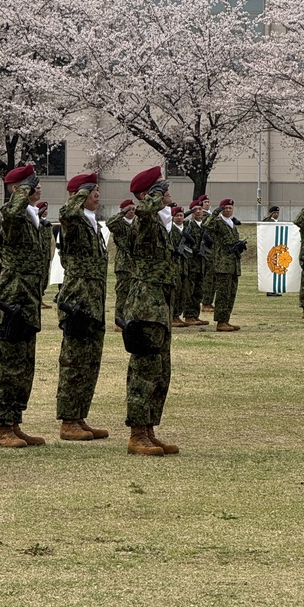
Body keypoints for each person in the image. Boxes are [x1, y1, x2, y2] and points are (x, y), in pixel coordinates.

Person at [118, 165, 180, 456]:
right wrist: (153, 196)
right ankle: (137, 434)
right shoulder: (144, 220)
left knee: (160, 370)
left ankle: (150, 429)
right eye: (160, 187)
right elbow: (142, 211)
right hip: (145, 303)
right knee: (144, 370)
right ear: (147, 194)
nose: (166, 191)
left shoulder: (160, 222)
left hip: (160, 303)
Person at [0, 165, 48, 448]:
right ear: (16, 189)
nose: (37, 186)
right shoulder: (11, 214)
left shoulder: (32, 216)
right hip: (11, 299)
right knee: (9, 366)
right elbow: (12, 212)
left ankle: (14, 422)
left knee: (24, 365)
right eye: (29, 183)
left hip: (28, 299)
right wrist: (22, 192)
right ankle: (3, 426)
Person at [55, 172, 109, 441]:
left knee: (90, 361)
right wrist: (79, 194)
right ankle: (68, 420)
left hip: (94, 299)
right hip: (78, 300)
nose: (97, 195)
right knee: (74, 361)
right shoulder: (74, 221)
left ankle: (79, 415)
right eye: (91, 191)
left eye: (97, 190)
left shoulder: (92, 223)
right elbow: (66, 212)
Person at [205, 197, 245, 332]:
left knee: (231, 294)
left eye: (230, 208)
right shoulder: (218, 222)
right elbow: (206, 225)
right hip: (223, 264)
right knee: (223, 294)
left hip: (233, 263)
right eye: (226, 208)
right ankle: (220, 322)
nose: (228, 210)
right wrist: (215, 213)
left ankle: (226, 320)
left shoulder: (231, 223)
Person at [106, 199, 136, 327]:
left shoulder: (137, 223)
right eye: (129, 209)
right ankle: (120, 320)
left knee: (134, 293)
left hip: (136, 263)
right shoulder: (120, 224)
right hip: (124, 263)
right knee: (123, 293)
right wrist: (122, 213)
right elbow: (109, 223)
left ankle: (131, 319)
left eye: (133, 209)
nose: (132, 212)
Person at [181, 201, 210, 326]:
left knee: (199, 291)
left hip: (201, 262)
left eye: (200, 209)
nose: (198, 211)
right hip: (191, 262)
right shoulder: (187, 224)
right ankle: (189, 315)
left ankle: (195, 315)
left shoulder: (204, 226)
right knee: (190, 290)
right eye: (195, 209)